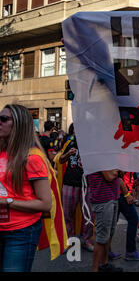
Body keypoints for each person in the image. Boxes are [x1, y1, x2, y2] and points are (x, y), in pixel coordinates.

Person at [0, 104, 52, 272]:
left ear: (19, 123)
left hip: (20, 232)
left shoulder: (32, 158)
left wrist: (7, 202)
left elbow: (45, 204)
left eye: (3, 119)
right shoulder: (1, 152)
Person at [58, 123, 94, 251]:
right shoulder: (70, 143)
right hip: (70, 183)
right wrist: (68, 154)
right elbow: (61, 160)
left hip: (87, 184)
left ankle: (87, 240)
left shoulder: (92, 145)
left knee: (88, 214)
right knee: (68, 214)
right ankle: (70, 240)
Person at [87, 169, 123, 272]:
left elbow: (119, 173)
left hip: (112, 197)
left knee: (108, 234)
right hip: (103, 200)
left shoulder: (107, 157)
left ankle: (104, 264)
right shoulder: (99, 156)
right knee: (102, 237)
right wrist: (117, 171)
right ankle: (95, 269)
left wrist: (116, 171)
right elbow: (109, 177)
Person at [113, 171, 139, 261]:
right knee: (133, 219)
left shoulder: (126, 157)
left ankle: (106, 251)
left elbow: (127, 177)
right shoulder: (123, 157)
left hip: (120, 192)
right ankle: (131, 251)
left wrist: (130, 188)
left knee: (112, 222)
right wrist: (127, 194)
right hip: (121, 194)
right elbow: (119, 177)